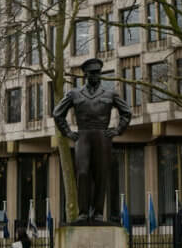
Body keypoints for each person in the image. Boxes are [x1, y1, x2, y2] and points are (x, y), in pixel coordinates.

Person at [52, 57, 132, 223]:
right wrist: (68, 132)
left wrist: (117, 130)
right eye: (92, 73)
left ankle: (97, 213)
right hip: (83, 136)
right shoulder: (74, 93)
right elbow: (57, 113)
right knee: (82, 173)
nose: (96, 76)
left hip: (102, 136)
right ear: (85, 75)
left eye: (98, 73)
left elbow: (127, 112)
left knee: (101, 174)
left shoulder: (110, 93)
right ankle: (82, 212)